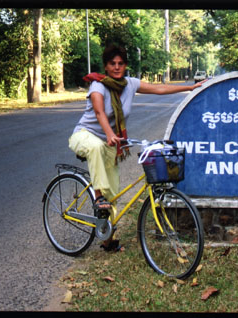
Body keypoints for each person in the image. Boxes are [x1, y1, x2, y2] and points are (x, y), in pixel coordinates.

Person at [69, 44, 205, 251]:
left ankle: (107, 240)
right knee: (98, 156)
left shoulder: (129, 84)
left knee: (113, 194)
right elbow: (99, 114)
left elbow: (159, 88)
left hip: (110, 143)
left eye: (120, 63)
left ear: (125, 66)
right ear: (105, 66)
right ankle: (98, 198)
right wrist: (109, 134)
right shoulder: (98, 86)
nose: (116, 67)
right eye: (112, 64)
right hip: (85, 136)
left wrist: (188, 88)